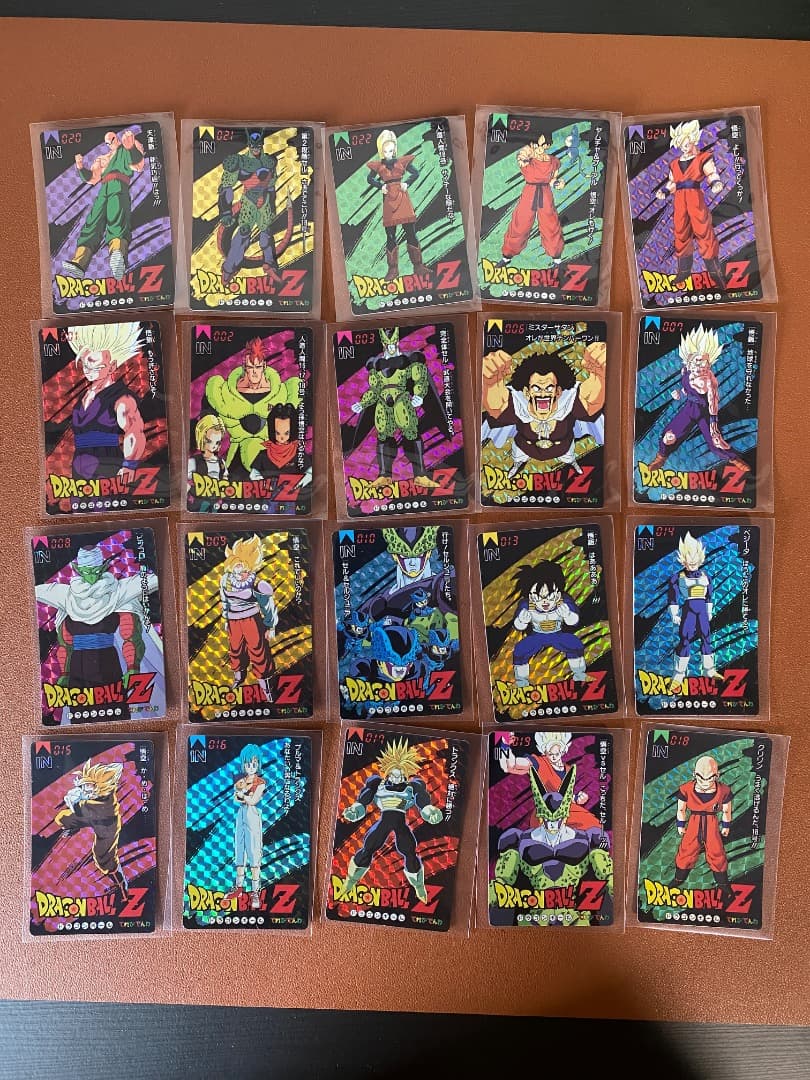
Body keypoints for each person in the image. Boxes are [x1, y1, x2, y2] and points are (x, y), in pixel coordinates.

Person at [64, 129, 145, 280]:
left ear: (117, 138)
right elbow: (93, 178)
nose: (111, 143)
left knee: (117, 218)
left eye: (113, 139)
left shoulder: (127, 146)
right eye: (108, 142)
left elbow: (138, 165)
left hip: (119, 184)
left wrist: (131, 148)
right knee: (93, 222)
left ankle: (118, 256)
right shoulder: (102, 159)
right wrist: (81, 167)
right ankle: (79, 262)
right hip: (104, 189)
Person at [655, 120, 725, 285]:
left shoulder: (703, 158)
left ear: (693, 139)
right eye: (680, 145)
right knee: (681, 232)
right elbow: (672, 182)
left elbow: (711, 174)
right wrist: (665, 191)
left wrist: (715, 183)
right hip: (680, 199)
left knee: (703, 230)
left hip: (695, 197)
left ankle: (715, 272)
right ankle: (683, 272)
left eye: (686, 143)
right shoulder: (674, 163)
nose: (683, 147)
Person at [366, 129, 427, 280]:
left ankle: (418, 266)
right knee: (390, 235)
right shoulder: (378, 166)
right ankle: (393, 269)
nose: (389, 153)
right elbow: (369, 179)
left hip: (402, 196)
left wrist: (407, 183)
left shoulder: (401, 162)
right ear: (381, 151)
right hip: (388, 199)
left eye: (391, 150)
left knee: (410, 232)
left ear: (395, 149)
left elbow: (416, 173)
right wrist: (380, 186)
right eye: (386, 151)